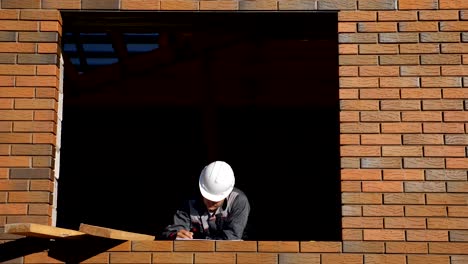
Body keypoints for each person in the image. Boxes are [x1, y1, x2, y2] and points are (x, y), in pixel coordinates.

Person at [161, 160, 250, 240]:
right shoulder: (189, 200)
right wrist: (176, 235)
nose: (210, 202)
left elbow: (231, 238)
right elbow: (170, 232)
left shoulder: (238, 201)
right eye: (207, 197)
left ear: (226, 194)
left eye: (215, 200)